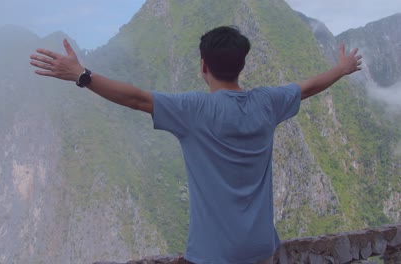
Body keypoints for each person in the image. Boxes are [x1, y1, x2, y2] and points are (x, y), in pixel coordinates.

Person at [30, 26, 362, 264]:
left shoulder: (193, 111)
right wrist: (342, 69)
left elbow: (135, 99)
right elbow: (307, 87)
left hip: (214, 253)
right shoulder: (268, 103)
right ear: (242, 65)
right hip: (261, 248)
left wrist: (82, 75)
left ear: (203, 66)